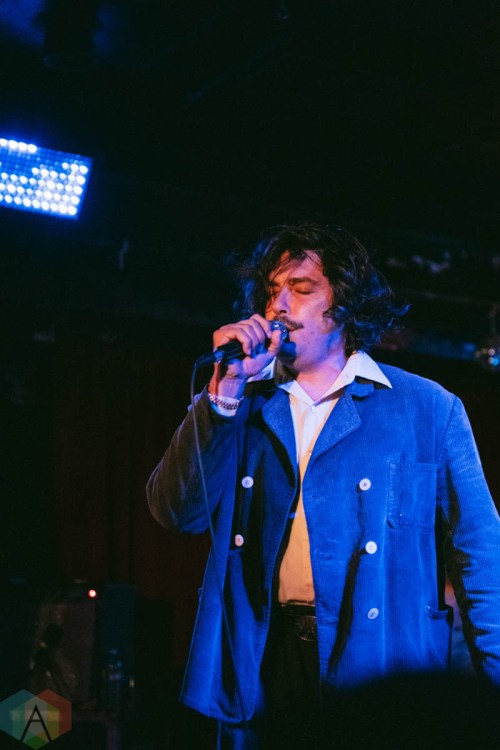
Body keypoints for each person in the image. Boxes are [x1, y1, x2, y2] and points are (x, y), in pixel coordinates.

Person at [147, 223, 500, 749]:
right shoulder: (241, 401)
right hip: (265, 657)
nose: (278, 305)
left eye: (301, 288)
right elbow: (176, 512)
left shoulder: (428, 408)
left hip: (380, 663)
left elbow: (482, 553)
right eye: (272, 290)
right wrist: (224, 393)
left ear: (345, 304)